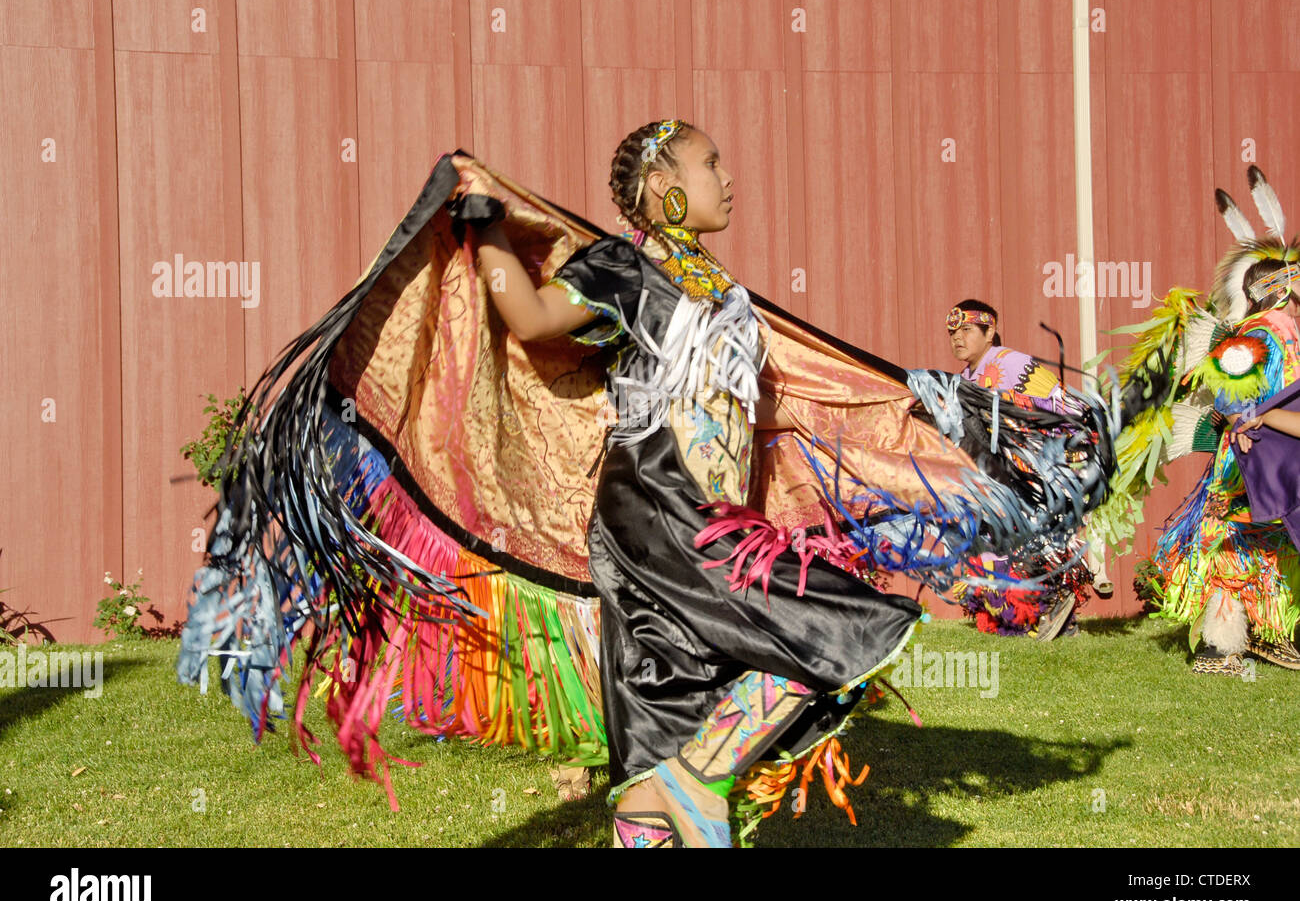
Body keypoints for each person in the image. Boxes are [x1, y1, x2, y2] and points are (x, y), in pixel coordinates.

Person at [177, 120, 1130, 846]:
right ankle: (696, 781)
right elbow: (531, 321)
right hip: (662, 510)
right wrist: (486, 222)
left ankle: (667, 796)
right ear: (666, 190)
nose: (730, 178)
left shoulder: (723, 291)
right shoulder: (625, 270)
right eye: (712, 165)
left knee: (662, 708)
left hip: (706, 517)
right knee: (849, 624)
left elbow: (794, 394)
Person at [1100, 167, 1300, 675]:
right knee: (1231, 542)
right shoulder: (1258, 337)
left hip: (1271, 457)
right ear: (1277, 291)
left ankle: (1263, 631)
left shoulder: (1278, 334)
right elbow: (1235, 402)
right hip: (1249, 459)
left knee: (1267, 541)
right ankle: (1219, 647)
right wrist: (1253, 418)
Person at [945, 300, 1090, 640]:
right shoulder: (965, 377)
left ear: (989, 331)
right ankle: (1017, 617)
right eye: (953, 332)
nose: (957, 338)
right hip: (992, 477)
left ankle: (1059, 612)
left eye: (966, 330)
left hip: (1033, 471)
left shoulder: (1013, 364)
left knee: (1030, 542)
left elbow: (1065, 405)